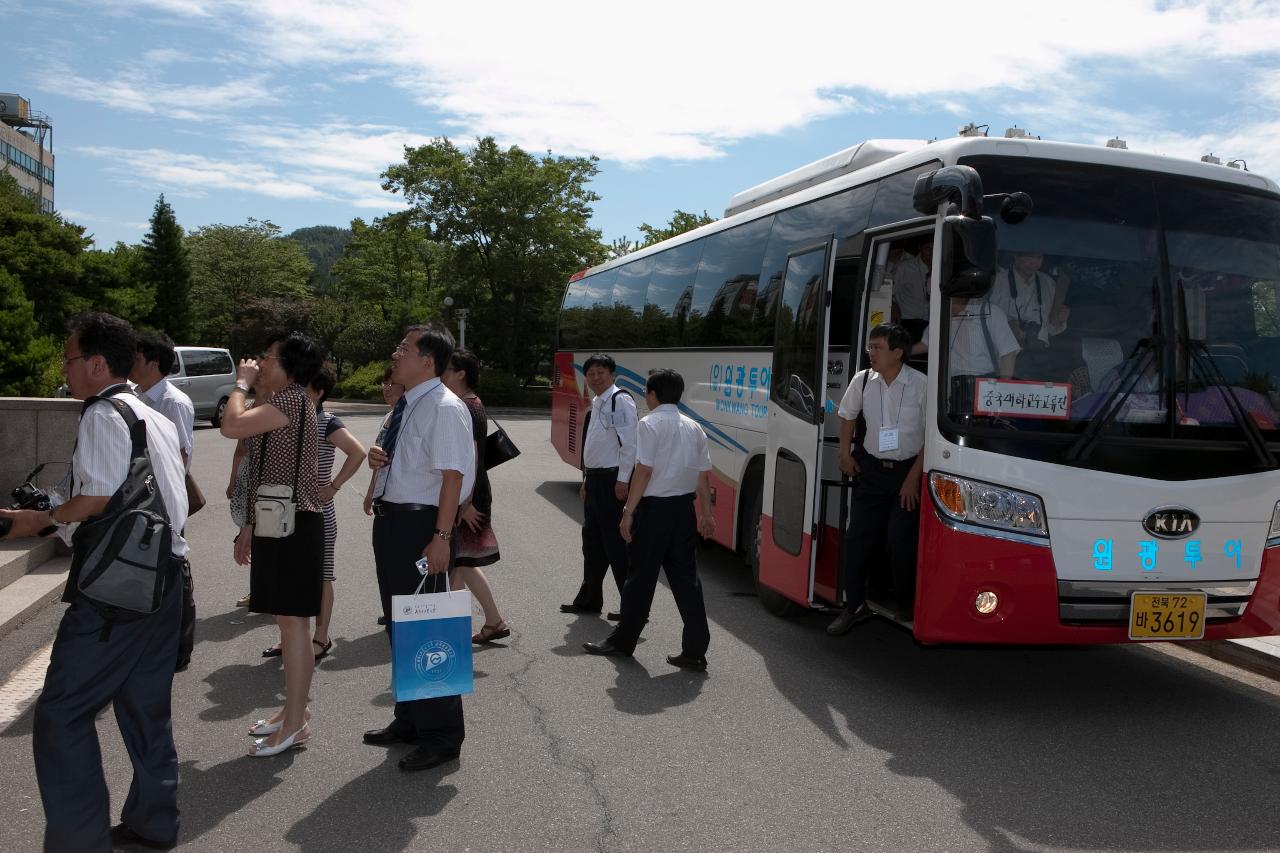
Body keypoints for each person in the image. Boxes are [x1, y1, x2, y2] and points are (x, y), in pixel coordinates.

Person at [0, 312, 189, 852]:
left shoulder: (105, 414)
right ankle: (155, 824)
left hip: (119, 590)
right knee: (145, 709)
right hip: (165, 579)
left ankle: (78, 843)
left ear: (96, 363)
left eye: (68, 358)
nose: (65, 368)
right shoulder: (149, 414)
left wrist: (37, 520)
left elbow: (98, 499)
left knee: (62, 714)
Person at [363, 324, 475, 772]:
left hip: (420, 526)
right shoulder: (408, 404)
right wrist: (377, 463)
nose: (396, 354)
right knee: (400, 625)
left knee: (429, 632)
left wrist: (442, 536)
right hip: (394, 522)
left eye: (404, 349)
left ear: (427, 360)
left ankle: (442, 736)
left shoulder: (445, 408)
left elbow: (453, 477)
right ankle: (410, 718)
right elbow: (409, 459)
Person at [220, 331, 325, 757]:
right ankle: (292, 711)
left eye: (269, 357)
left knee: (293, 625)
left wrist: (242, 385)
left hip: (293, 525)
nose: (260, 362)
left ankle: (295, 725)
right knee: (290, 624)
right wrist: (248, 524)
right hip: (284, 522)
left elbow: (230, 426)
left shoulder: (288, 401)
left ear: (290, 366)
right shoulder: (289, 400)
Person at [583, 368, 715, 671]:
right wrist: (706, 515)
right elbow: (702, 476)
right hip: (684, 511)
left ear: (652, 394)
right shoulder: (694, 427)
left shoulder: (649, 424)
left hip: (654, 511)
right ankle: (695, 649)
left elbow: (643, 470)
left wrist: (628, 512)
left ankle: (623, 641)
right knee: (686, 580)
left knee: (640, 578)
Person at [826, 324, 927, 635]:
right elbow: (847, 415)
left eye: (877, 347)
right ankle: (854, 605)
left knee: (899, 539)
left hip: (907, 472)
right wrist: (845, 454)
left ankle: (906, 601)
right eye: (870, 347)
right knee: (857, 538)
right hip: (871, 470)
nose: (871, 352)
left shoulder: (921, 384)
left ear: (898, 352)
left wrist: (912, 479)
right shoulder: (863, 379)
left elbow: (930, 438)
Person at [261, 364, 367, 661]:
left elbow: (357, 452)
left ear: (319, 392)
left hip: (318, 510)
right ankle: (290, 637)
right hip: (284, 509)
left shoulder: (327, 422)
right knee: (286, 576)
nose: (294, 392)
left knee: (321, 575)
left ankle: (321, 637)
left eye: (302, 387)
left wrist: (333, 486)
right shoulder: (285, 419)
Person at [130, 330, 198, 672]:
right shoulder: (136, 396)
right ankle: (151, 639)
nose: (130, 363)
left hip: (165, 496)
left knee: (174, 568)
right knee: (150, 567)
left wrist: (159, 492)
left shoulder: (174, 401)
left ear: (153, 364)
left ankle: (178, 649)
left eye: (137, 358)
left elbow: (181, 455)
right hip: (144, 495)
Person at [441, 347, 510, 644]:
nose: (441, 374)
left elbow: (468, 459)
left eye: (446, 369)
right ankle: (451, 622)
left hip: (469, 495)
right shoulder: (470, 403)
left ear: (461, 374)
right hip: (471, 492)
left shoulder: (465, 407)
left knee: (463, 560)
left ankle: (493, 619)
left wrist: (463, 503)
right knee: (459, 560)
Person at [561, 353, 637, 620]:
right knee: (592, 543)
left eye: (601, 372)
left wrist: (623, 479)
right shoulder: (597, 401)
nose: (595, 377)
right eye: (591, 373)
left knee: (616, 544)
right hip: (595, 479)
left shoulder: (619, 400)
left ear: (612, 374)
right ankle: (590, 599)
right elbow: (595, 445)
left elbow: (629, 444)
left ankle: (633, 607)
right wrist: (585, 480)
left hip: (611, 479)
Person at [363, 364, 404, 627]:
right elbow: (380, 460)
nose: (386, 388)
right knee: (387, 564)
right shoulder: (390, 416)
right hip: (383, 498)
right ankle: (393, 609)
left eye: (392, 383)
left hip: (402, 504)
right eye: (384, 383)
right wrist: (370, 494)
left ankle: (400, 613)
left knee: (400, 564)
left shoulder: (407, 416)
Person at [947, 294, 1021, 414]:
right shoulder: (940, 313)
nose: (930, 297)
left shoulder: (990, 312)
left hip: (985, 386)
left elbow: (1008, 353)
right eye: (929, 293)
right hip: (951, 388)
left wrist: (1001, 393)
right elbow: (926, 343)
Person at [989, 251, 1069, 349]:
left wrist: (1061, 319)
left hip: (1039, 353)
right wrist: (1006, 326)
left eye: (1039, 258)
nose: (1033, 263)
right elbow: (981, 322)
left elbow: (1052, 330)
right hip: (1003, 351)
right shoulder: (996, 283)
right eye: (1029, 258)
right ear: (1016, 256)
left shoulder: (1049, 284)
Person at [893, 239, 933, 344]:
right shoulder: (904, 267)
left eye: (934, 248)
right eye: (927, 248)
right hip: (909, 324)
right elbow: (891, 292)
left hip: (933, 323)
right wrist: (894, 305)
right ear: (920, 248)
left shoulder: (942, 267)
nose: (931, 252)